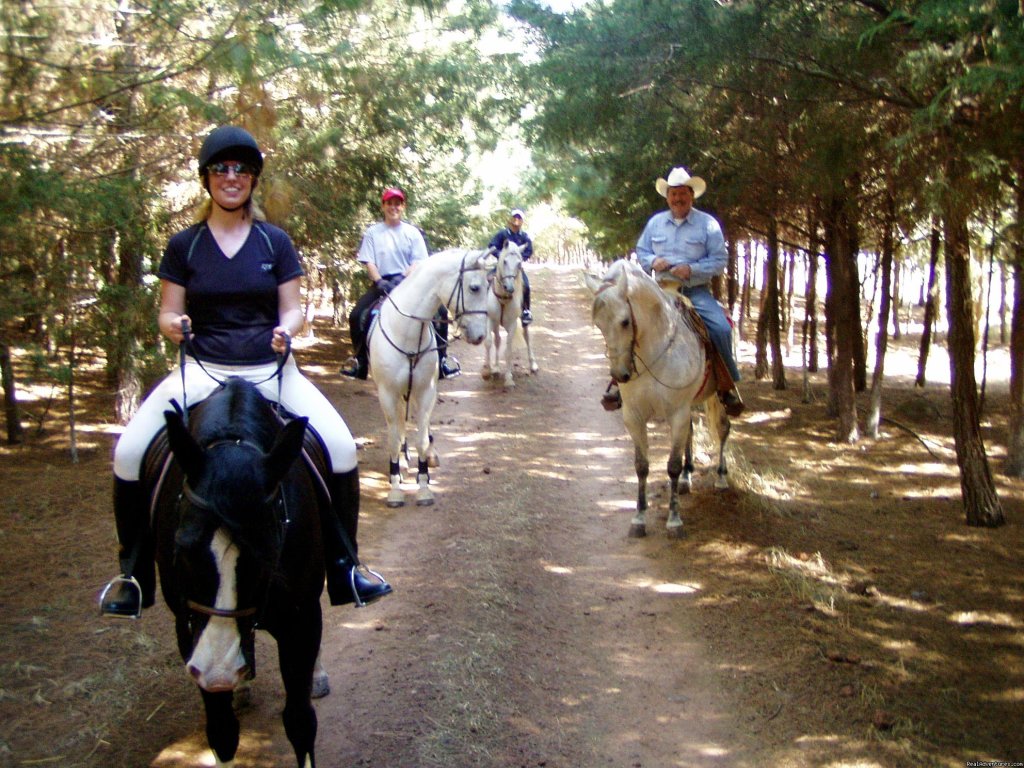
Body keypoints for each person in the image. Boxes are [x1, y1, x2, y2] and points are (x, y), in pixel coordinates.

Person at [99, 126, 391, 618]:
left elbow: (293, 308)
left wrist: (286, 329)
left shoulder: (273, 242)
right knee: (129, 452)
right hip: (201, 371)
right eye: (221, 169)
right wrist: (175, 324)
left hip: (271, 373)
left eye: (241, 170)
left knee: (340, 448)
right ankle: (133, 574)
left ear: (254, 179)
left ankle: (346, 566)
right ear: (207, 178)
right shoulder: (185, 245)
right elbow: (167, 312)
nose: (231, 177)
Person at [631, 166, 744, 416]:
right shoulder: (655, 223)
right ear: (667, 196)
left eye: (682, 193)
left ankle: (727, 386)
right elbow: (642, 250)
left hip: (694, 291)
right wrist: (652, 261)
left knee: (721, 328)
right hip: (659, 290)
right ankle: (621, 383)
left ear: (691, 195)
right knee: (629, 323)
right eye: (673, 194)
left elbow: (719, 260)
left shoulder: (708, 224)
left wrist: (691, 269)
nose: (677, 199)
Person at [340, 187, 461, 380]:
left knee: (440, 314)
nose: (393, 207)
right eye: (390, 203)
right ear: (383, 206)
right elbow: (368, 261)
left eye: (398, 203)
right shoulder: (373, 233)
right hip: (382, 284)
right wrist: (379, 281)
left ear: (403, 206)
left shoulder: (412, 233)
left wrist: (404, 278)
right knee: (356, 315)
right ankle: (359, 362)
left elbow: (419, 261)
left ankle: (442, 360)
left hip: (410, 284)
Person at [488, 208, 534, 326]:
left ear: (522, 221)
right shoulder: (502, 234)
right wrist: (500, 255)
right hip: (502, 266)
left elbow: (529, 250)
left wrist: (519, 258)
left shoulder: (524, 236)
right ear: (510, 220)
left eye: (519, 219)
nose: (516, 221)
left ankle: (526, 311)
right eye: (515, 218)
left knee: (527, 286)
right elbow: (492, 246)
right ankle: (481, 309)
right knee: (486, 279)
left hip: (516, 268)